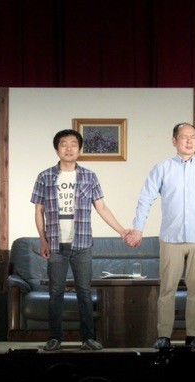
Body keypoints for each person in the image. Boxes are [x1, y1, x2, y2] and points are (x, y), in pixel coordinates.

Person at [125, 122, 195, 350]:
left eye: (193, 137)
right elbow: (145, 199)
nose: (189, 141)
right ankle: (164, 336)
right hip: (171, 238)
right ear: (174, 141)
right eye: (184, 137)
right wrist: (138, 229)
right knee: (167, 289)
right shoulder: (162, 168)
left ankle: (192, 336)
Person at [31, 129, 129, 351]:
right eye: (63, 144)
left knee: (84, 292)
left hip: (82, 244)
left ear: (79, 149)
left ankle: (88, 338)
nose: (68, 148)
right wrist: (43, 240)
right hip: (55, 244)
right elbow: (39, 211)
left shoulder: (89, 176)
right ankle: (55, 338)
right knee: (55, 293)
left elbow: (102, 207)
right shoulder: (45, 176)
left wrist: (122, 231)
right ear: (57, 149)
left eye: (73, 144)